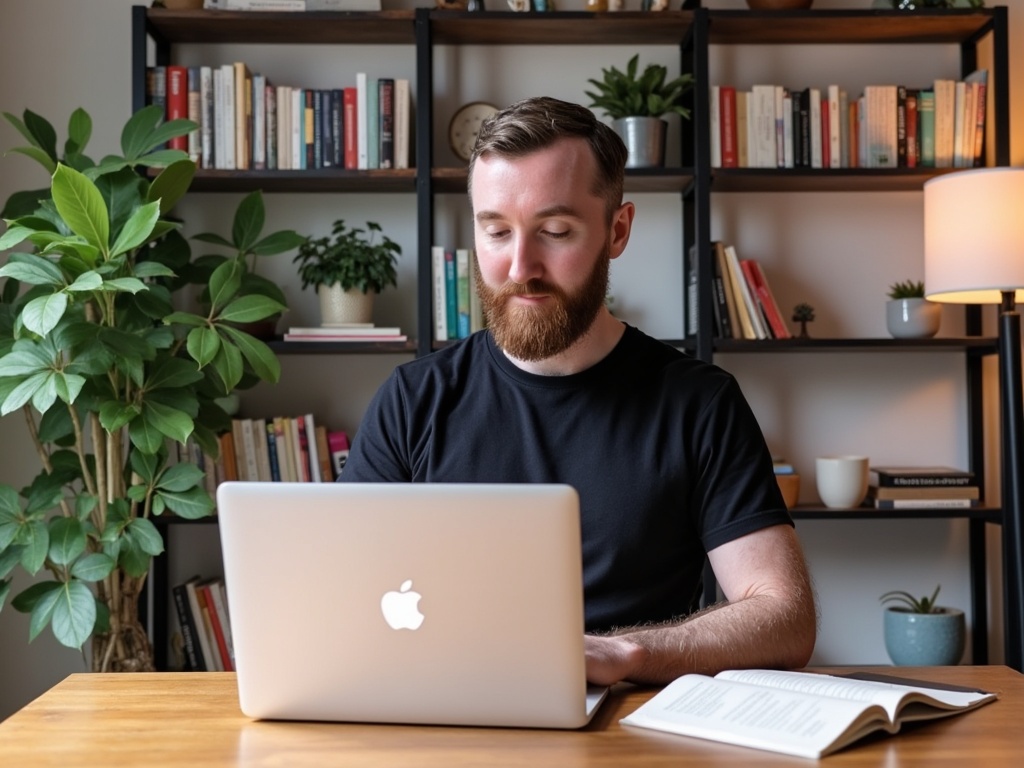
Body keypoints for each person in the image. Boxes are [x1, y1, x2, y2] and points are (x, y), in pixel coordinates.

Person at [340, 96, 817, 686]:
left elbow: (785, 617)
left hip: (628, 724)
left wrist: (629, 656)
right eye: (496, 232)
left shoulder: (699, 402)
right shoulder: (414, 398)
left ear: (616, 231)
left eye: (555, 231)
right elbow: (344, 593)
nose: (520, 267)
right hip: (445, 713)